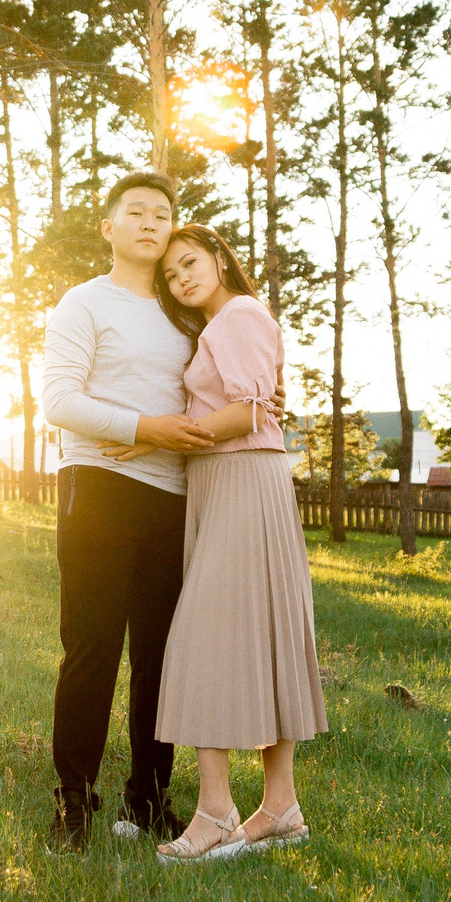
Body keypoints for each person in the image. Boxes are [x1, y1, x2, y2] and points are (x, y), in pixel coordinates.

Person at [138, 222, 325, 864]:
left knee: (199, 636)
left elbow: (252, 411)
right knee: (262, 632)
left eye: (190, 262)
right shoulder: (221, 324)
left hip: (244, 476)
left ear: (219, 258)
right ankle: (279, 808)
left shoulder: (238, 312)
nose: (182, 277)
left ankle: (217, 813)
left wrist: (155, 435)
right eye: (171, 274)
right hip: (226, 480)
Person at [36, 170, 213, 851]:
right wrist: (144, 427)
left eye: (162, 214)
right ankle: (74, 801)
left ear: (173, 230)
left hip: (172, 496)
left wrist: (172, 433)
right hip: (97, 490)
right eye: (135, 212)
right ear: (109, 228)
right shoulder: (84, 303)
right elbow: (59, 399)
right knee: (92, 647)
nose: (149, 222)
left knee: (160, 656)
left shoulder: (186, 312)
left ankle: (150, 797)